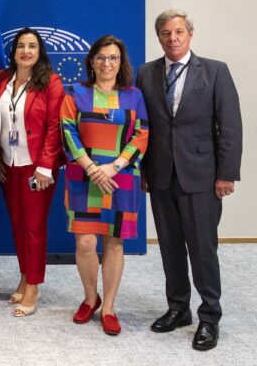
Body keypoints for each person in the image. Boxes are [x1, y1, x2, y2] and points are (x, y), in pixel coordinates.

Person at [137, 9, 242, 351]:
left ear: (190, 34)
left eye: (179, 31)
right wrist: (142, 171)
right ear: (159, 38)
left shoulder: (214, 71)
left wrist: (226, 174)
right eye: (166, 33)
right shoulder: (146, 74)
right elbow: (142, 127)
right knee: (169, 247)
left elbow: (229, 127)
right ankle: (178, 308)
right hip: (161, 176)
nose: (173, 38)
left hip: (202, 177)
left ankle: (209, 316)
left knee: (202, 249)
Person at [60, 35, 148, 336]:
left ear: (120, 62)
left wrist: (113, 166)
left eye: (113, 58)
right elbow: (68, 133)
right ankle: (90, 298)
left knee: (114, 242)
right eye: (100, 57)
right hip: (84, 175)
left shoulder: (134, 95)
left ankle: (109, 306)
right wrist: (92, 168)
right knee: (84, 243)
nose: (106, 63)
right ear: (91, 61)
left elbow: (142, 134)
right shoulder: (75, 93)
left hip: (120, 178)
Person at [0, 28, 65, 317]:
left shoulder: (51, 82)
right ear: (14, 51)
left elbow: (54, 128)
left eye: (32, 46)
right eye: (21, 45)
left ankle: (34, 284)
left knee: (34, 227)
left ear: (40, 51)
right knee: (18, 224)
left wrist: (46, 166)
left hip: (37, 168)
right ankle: (24, 276)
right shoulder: (0, 79)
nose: (26, 51)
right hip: (8, 164)